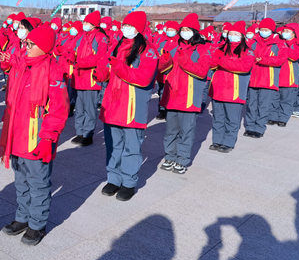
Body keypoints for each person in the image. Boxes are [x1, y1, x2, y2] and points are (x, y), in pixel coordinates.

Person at [0, 24, 68, 245]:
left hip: (36, 138)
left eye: (31, 44)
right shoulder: (22, 65)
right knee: (21, 181)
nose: (26, 47)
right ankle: (22, 217)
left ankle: (37, 224)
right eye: (26, 43)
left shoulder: (52, 70)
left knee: (38, 183)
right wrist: (7, 62)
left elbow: (59, 109)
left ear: (44, 48)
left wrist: (48, 137)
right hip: (17, 136)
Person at [98, 11, 158, 201]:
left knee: (131, 146)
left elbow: (143, 78)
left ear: (139, 28)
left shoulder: (148, 50)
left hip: (132, 106)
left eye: (130, 26)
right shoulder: (117, 46)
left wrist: (118, 67)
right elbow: (107, 71)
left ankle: (129, 182)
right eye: (124, 25)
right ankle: (113, 178)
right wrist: (102, 69)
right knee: (113, 145)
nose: (125, 29)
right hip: (113, 104)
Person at [158, 13, 211, 174]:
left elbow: (202, 71)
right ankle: (170, 156)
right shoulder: (173, 46)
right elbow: (162, 69)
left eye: (188, 30)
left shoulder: (203, 49)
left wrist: (184, 60)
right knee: (170, 130)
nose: (184, 32)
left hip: (189, 97)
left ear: (195, 32)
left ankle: (182, 159)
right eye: (183, 29)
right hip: (172, 95)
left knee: (186, 131)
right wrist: (165, 60)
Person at [208, 21, 255, 152]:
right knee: (218, 118)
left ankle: (228, 142)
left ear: (242, 36)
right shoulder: (220, 48)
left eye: (236, 34)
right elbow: (211, 63)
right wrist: (228, 62)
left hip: (234, 91)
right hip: (218, 89)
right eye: (231, 33)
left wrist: (222, 61)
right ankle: (217, 141)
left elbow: (243, 67)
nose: (232, 36)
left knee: (232, 119)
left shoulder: (248, 51)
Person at [67, 10, 109, 147]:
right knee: (79, 108)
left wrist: (81, 63)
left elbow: (100, 57)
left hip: (91, 79)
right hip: (78, 77)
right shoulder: (82, 36)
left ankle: (88, 134)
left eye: (86, 22)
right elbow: (73, 50)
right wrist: (69, 56)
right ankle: (79, 132)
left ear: (93, 24)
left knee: (89, 108)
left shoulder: (100, 38)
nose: (84, 24)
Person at [243, 18, 287, 138]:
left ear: (272, 31)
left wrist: (264, 60)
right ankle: (250, 126)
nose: (263, 31)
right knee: (251, 104)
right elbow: (246, 54)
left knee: (263, 106)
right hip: (253, 78)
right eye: (262, 29)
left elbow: (281, 60)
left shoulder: (279, 43)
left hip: (268, 79)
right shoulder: (253, 41)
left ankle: (259, 128)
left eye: (266, 29)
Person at [271, 24, 299, 126]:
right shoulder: (277, 43)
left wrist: (284, 48)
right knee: (275, 98)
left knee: (287, 100)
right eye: (284, 31)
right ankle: (273, 117)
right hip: (276, 75)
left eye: (288, 31)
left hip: (289, 77)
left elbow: (294, 57)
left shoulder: (297, 45)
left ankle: (283, 118)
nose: (285, 33)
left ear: (294, 34)